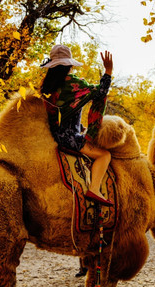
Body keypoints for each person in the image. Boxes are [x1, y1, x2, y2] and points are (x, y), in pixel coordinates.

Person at [41, 44, 114, 207]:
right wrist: (108, 71)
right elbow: (100, 92)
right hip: (68, 139)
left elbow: (62, 114)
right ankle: (94, 189)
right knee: (105, 155)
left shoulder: (47, 85)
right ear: (69, 65)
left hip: (52, 135)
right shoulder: (72, 83)